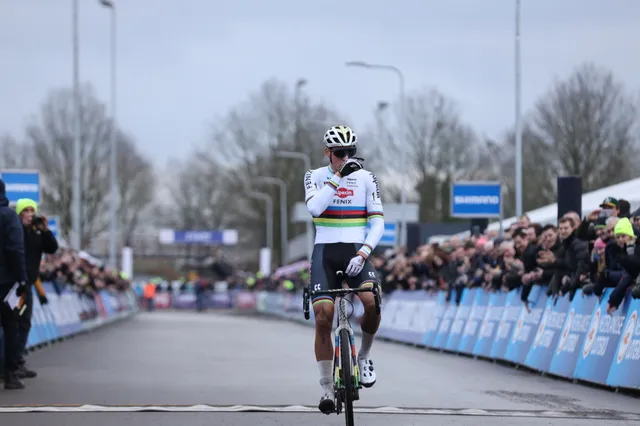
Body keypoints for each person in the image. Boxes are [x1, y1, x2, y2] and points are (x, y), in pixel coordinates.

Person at [303, 125, 385, 414]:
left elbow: (377, 223)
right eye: (340, 153)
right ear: (328, 153)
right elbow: (315, 209)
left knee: (371, 301)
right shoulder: (314, 176)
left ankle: (363, 357)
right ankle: (326, 387)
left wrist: (364, 252)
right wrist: (338, 177)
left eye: (351, 152)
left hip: (355, 252)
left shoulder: (366, 178)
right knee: (323, 316)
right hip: (325, 252)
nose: (346, 157)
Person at [14, 198, 58, 379]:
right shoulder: (15, 230)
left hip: (28, 285)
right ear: (19, 213)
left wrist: (45, 231)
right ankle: (8, 362)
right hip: (13, 283)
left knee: (24, 324)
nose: (30, 215)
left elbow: (52, 248)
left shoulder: (37, 234)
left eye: (32, 211)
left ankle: (17, 361)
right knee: (10, 324)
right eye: (26, 211)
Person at [0, 179, 28, 390]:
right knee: (11, 326)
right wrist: (22, 279)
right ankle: (9, 373)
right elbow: (15, 250)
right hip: (6, 280)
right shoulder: (8, 216)